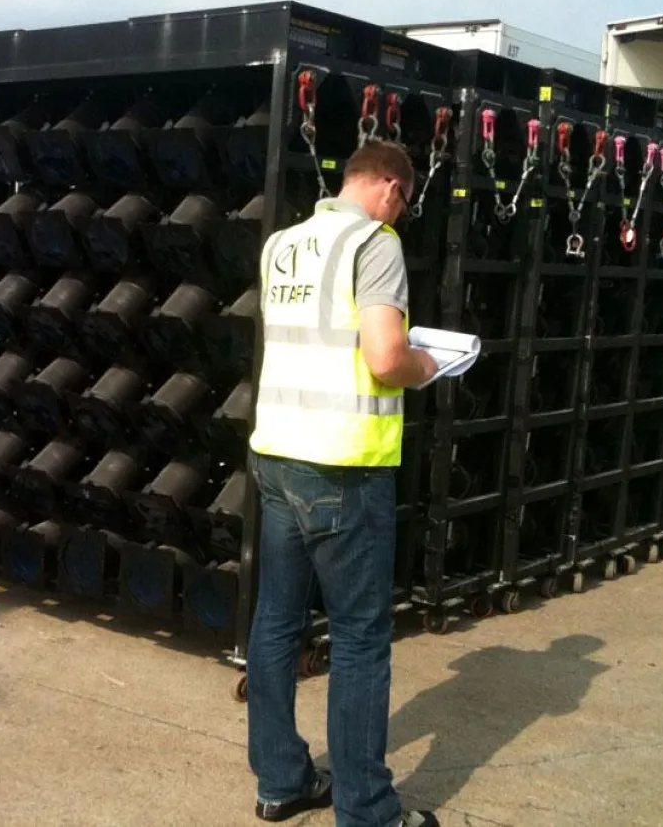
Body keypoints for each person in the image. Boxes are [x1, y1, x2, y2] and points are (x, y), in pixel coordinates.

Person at [246, 139, 441, 827]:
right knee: (359, 637)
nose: (401, 213)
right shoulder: (375, 244)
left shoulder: (282, 245)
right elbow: (386, 359)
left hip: (277, 453)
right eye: (405, 201)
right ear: (389, 186)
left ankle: (281, 782)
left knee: (276, 621)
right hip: (344, 466)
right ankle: (368, 812)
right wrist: (428, 364)